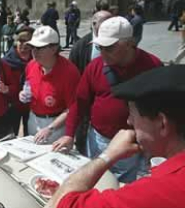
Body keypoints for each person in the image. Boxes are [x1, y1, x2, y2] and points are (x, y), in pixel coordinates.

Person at [43, 65, 185, 208]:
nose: (129, 121)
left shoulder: (158, 195)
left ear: (162, 123)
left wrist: (107, 156)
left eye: (133, 115)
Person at [53, 16, 162, 183]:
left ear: (129, 43)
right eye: (99, 47)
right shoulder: (95, 66)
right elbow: (79, 102)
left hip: (132, 143)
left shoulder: (153, 66)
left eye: (109, 47)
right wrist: (69, 134)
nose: (102, 52)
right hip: (98, 140)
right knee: (95, 181)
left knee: (121, 186)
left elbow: (163, 110)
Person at [21, 26, 80, 144]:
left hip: (56, 126)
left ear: (54, 48)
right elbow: (27, 88)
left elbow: (73, 108)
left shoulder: (69, 72)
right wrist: (22, 94)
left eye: (39, 48)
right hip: (33, 119)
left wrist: (50, 128)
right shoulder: (31, 65)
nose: (34, 51)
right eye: (33, 47)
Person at [68, 10, 113, 154]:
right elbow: (73, 74)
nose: (108, 26)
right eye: (104, 23)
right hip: (85, 100)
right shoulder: (80, 46)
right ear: (94, 24)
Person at [2, 26, 34, 136]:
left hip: (32, 107)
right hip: (11, 106)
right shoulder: (6, 62)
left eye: (28, 41)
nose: (24, 45)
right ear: (16, 42)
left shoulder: (38, 61)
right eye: (21, 41)